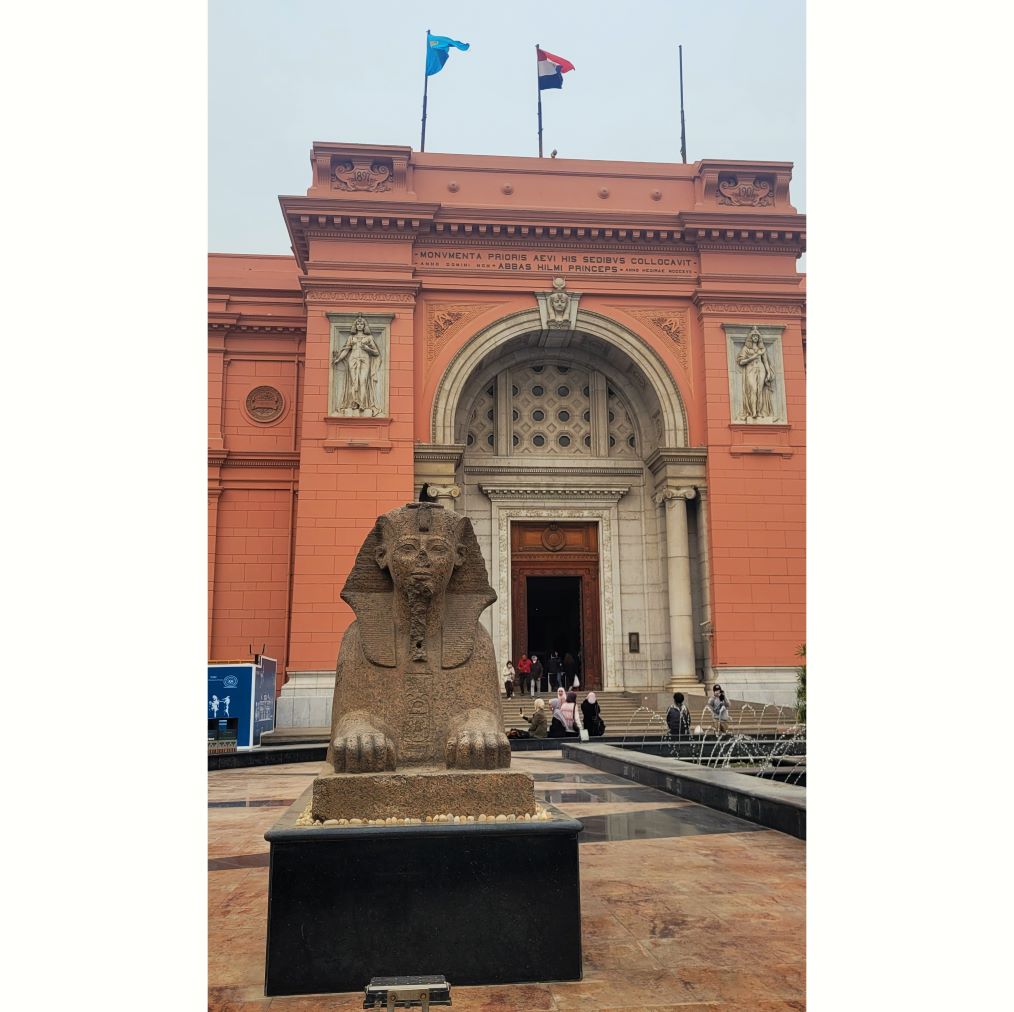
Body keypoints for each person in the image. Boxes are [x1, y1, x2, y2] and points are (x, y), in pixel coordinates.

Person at [333, 315, 383, 416]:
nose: (359, 325)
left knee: (363, 381)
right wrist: (338, 359)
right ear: (355, 326)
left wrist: (367, 348)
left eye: (361, 324)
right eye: (358, 324)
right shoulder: (351, 338)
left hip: (365, 359)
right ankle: (354, 402)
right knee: (354, 381)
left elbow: (376, 352)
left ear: (364, 326)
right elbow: (346, 350)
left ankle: (362, 404)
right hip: (353, 359)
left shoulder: (369, 338)